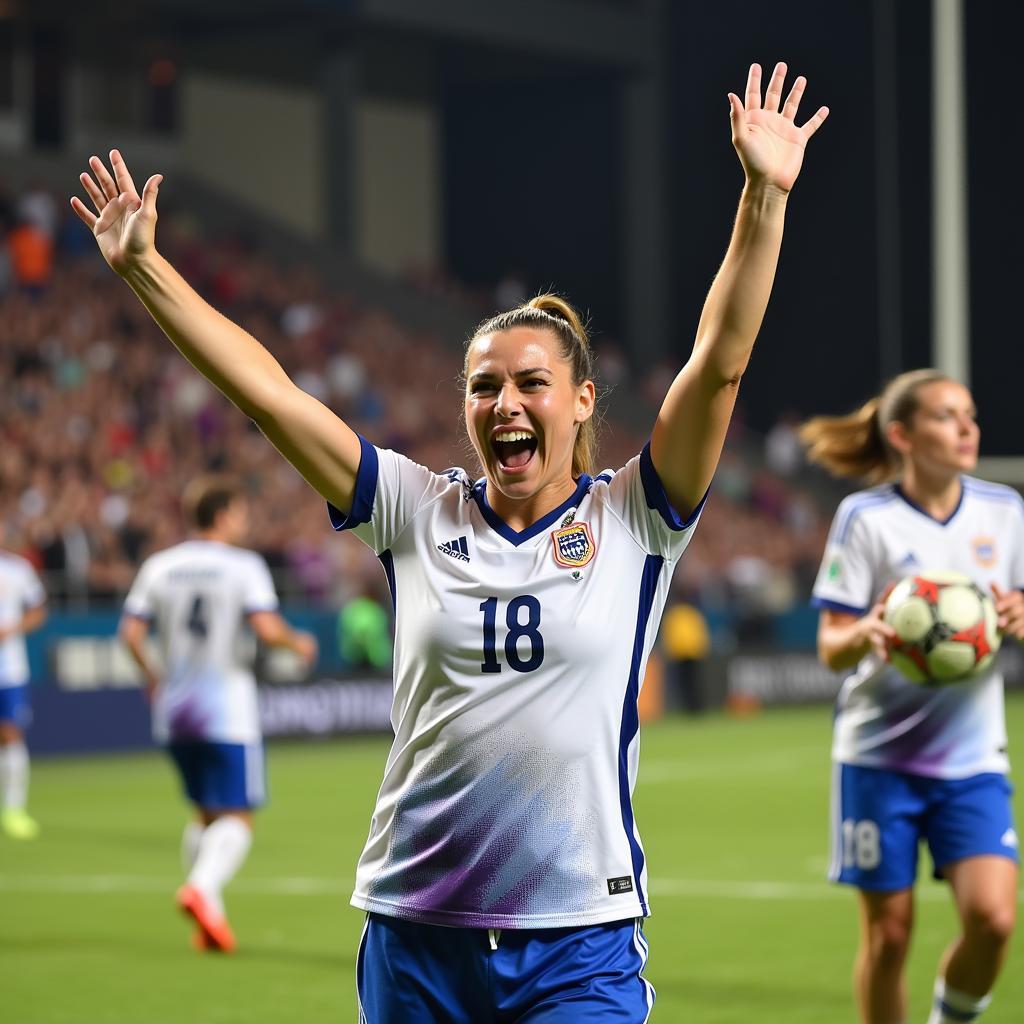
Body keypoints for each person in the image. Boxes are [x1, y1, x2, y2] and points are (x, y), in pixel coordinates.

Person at [73, 60, 827, 1020]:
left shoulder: (636, 516)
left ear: (583, 400)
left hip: (577, 944)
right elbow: (266, 394)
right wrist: (144, 267)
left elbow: (718, 364)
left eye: (530, 382)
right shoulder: (415, 510)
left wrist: (764, 195)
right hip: (414, 931)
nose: (504, 403)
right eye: (482, 386)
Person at [803, 369, 1023, 1024]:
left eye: (970, 415)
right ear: (902, 434)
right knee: (889, 936)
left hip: (973, 756)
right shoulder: (865, 518)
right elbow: (831, 645)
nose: (967, 428)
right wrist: (867, 631)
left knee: (994, 919)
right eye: (947, 416)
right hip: (878, 758)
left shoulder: (1004, 510)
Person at [119, 475, 317, 952]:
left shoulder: (160, 566)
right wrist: (299, 641)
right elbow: (266, 629)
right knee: (239, 818)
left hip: (175, 708)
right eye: (241, 512)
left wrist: (153, 676)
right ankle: (202, 890)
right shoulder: (243, 566)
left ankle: (209, 920)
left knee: (206, 815)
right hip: (226, 709)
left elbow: (129, 633)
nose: (244, 521)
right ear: (225, 514)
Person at [0, 549, 47, 840]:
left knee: (11, 733)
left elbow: (38, 610)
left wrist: (13, 629)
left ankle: (14, 809)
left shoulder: (17, 570)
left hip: (9, 670)